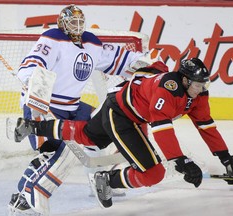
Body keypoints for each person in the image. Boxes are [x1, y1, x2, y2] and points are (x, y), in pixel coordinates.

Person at [14, 58, 233, 208]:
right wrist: (181, 161)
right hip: (121, 114)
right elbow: (161, 128)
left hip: (124, 106)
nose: (202, 89)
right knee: (154, 172)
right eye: (197, 84)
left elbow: (206, 125)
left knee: (87, 136)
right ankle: (34, 127)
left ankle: (35, 127)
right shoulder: (169, 88)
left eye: (204, 85)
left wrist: (226, 158)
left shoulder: (198, 94)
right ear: (184, 80)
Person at [8, 4, 161, 215]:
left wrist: (144, 61)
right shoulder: (52, 38)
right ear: (62, 23)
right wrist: (29, 75)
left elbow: (119, 59)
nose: (77, 26)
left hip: (72, 105)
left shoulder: (91, 42)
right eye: (72, 22)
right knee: (53, 154)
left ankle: (100, 182)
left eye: (80, 22)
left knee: (95, 136)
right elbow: (35, 61)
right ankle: (23, 199)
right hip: (44, 105)